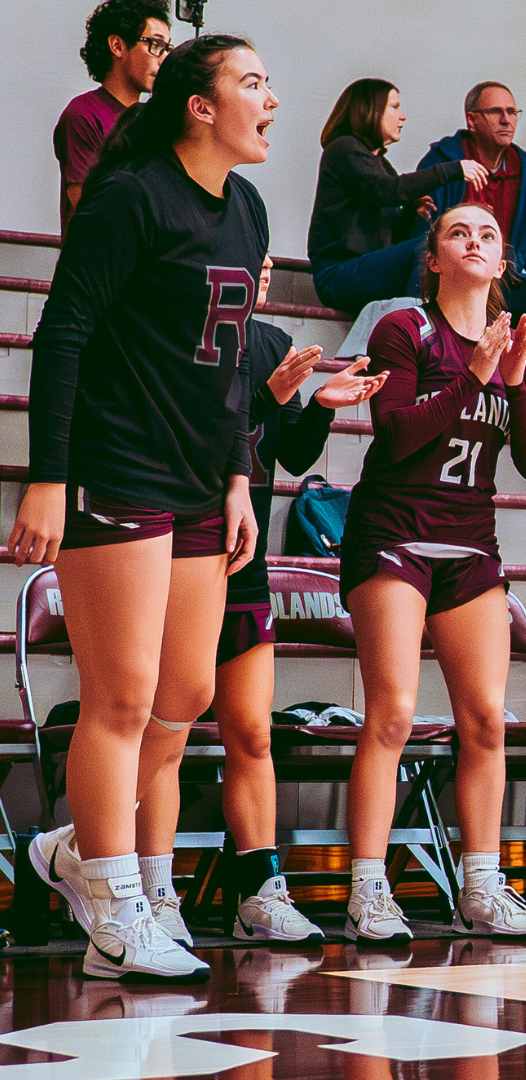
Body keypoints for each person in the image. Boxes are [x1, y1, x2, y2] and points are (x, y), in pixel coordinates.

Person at [16, 33, 277, 982]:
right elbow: (64, 336)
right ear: (200, 106)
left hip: (206, 478)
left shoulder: (246, 207)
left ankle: (78, 855)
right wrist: (47, 476)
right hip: (118, 465)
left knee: (188, 695)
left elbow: (238, 355)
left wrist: (244, 472)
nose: (272, 99)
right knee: (120, 698)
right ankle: (114, 912)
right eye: (253, 83)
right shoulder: (129, 198)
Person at [128, 257, 383, 947]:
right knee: (169, 730)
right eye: (254, 258)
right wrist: (268, 400)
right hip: (177, 557)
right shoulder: (183, 335)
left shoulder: (270, 342)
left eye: (271, 261)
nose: (264, 269)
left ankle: (258, 890)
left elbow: (291, 457)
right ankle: (154, 891)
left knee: (252, 731)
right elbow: (193, 443)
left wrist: (321, 409)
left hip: (245, 565)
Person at [339, 203, 526, 941]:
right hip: (394, 534)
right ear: (433, 260)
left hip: (471, 544)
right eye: (457, 233)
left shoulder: (516, 340)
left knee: (487, 720)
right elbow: (395, 436)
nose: (474, 241)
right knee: (393, 713)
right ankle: (367, 889)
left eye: (488, 235)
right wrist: (476, 377)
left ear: (502, 264)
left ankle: (483, 887)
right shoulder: (404, 330)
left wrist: (518, 383)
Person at [404, 82, 526, 377]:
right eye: (496, 112)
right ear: (472, 119)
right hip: (456, 287)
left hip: (505, 287)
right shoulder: (444, 162)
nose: (507, 120)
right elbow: (422, 242)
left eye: (512, 112)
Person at [307, 78, 489, 315]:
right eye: (394, 107)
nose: (402, 116)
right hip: (338, 277)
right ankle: (417, 329)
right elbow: (388, 190)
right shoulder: (343, 149)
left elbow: (391, 236)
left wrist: (410, 216)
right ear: (369, 110)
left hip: (363, 272)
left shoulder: (381, 165)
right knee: (431, 245)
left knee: (438, 246)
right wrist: (452, 169)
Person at [55, 0, 170, 232]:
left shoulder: (153, 120)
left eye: (166, 48)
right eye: (155, 45)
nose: (162, 58)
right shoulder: (84, 113)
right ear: (117, 46)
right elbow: (89, 205)